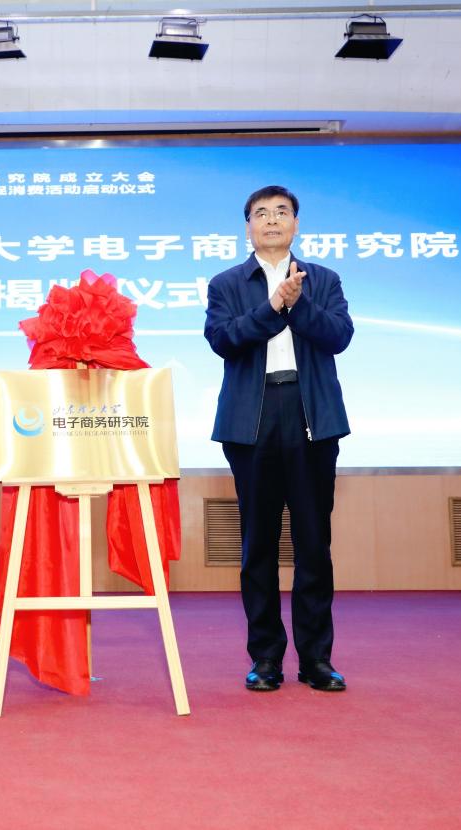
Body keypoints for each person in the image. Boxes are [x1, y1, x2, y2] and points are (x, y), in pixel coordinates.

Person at [204, 185, 354, 693]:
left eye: (282, 212)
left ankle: (317, 660)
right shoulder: (226, 283)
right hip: (253, 419)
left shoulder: (324, 279)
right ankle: (265, 658)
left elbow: (339, 336)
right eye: (261, 213)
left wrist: (296, 304)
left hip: (312, 416)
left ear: (296, 224)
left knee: (314, 544)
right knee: (258, 545)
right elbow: (223, 340)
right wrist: (272, 307)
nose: (272, 220)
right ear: (248, 226)